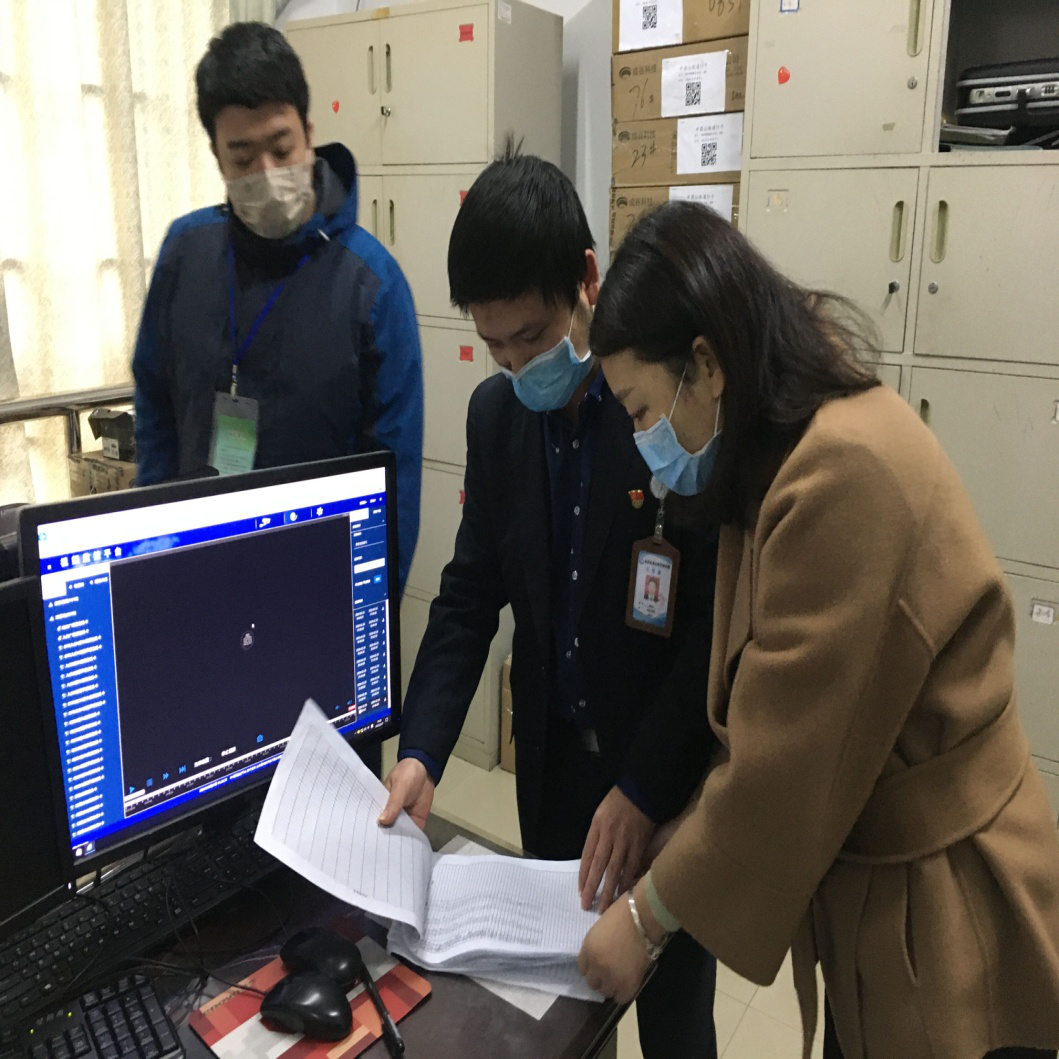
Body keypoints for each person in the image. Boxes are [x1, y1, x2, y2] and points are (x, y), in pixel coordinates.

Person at [577, 200, 1059, 1059]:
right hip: (879, 869)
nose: (641, 437)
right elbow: (760, 696)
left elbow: (784, 767)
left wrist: (644, 918)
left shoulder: (840, 469)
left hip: (948, 899)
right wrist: (682, 825)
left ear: (705, 365)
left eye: (641, 409)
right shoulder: (773, 450)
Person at [377, 146, 720, 1059]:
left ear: (585, 282)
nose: (515, 364)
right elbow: (466, 599)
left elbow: (708, 631)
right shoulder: (496, 420)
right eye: (494, 346)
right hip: (557, 770)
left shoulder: (658, 412)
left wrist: (646, 788)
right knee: (564, 1014)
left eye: (530, 337)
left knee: (675, 1021)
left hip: (660, 779)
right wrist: (421, 749)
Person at [131, 22, 423, 596]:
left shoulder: (371, 284)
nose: (266, 173)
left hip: (316, 588)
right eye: (241, 157)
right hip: (196, 571)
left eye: (282, 149)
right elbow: (155, 408)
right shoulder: (185, 254)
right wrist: (151, 556)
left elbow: (395, 482)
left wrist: (371, 611)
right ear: (216, 156)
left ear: (309, 134)